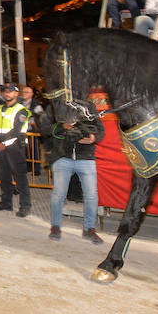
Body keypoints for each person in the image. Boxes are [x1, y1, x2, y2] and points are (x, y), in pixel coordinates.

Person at [46, 104, 106, 244]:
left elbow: (101, 131)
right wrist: (63, 127)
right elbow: (47, 129)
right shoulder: (60, 107)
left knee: (91, 196)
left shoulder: (90, 108)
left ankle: (89, 229)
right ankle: (55, 227)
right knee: (58, 195)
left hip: (86, 158)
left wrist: (93, 138)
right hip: (63, 157)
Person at [0, 83, 32, 217]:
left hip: (15, 147)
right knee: (4, 176)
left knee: (20, 177)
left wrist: (0, 141)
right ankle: (6, 202)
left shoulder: (21, 110)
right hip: (1, 148)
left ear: (16, 94)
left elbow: (16, 130)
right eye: (5, 91)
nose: (7, 93)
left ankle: (25, 206)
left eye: (10, 91)